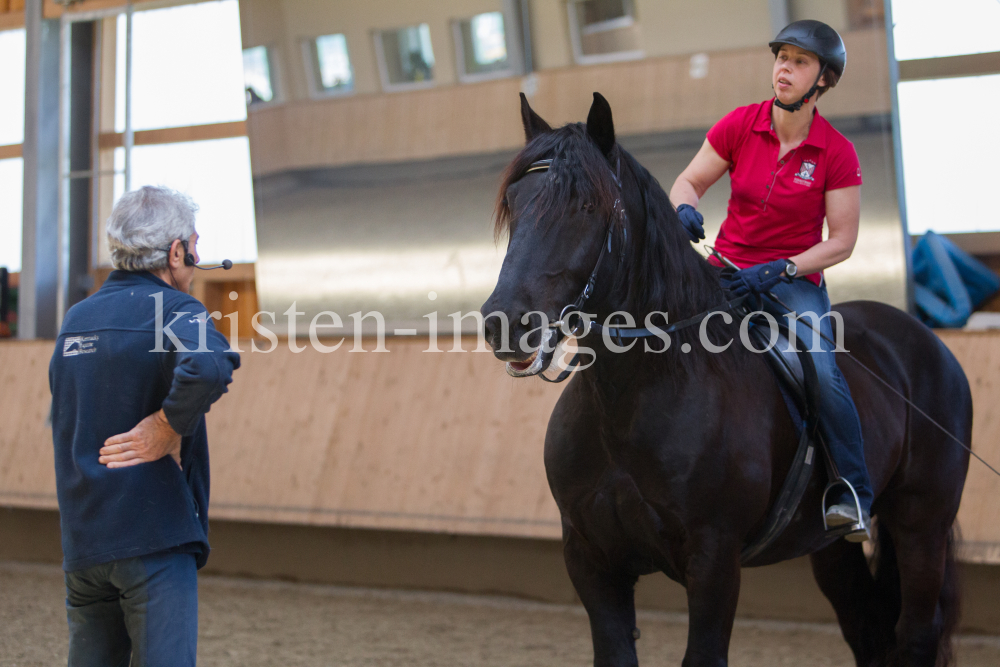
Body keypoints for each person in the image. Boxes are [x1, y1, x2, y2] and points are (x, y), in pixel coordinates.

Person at [668, 20, 873, 542]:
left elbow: (842, 241)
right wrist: (685, 209)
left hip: (791, 281)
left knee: (820, 371)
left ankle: (851, 490)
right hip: (725, 270)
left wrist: (782, 268)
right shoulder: (740, 124)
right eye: (781, 57)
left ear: (823, 80)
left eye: (799, 62)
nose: (784, 68)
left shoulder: (837, 153)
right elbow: (689, 181)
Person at [49, 186, 241, 665]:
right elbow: (210, 367)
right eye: (194, 249)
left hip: (85, 541)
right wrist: (166, 424)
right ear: (178, 252)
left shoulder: (76, 320)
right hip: (153, 538)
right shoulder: (177, 310)